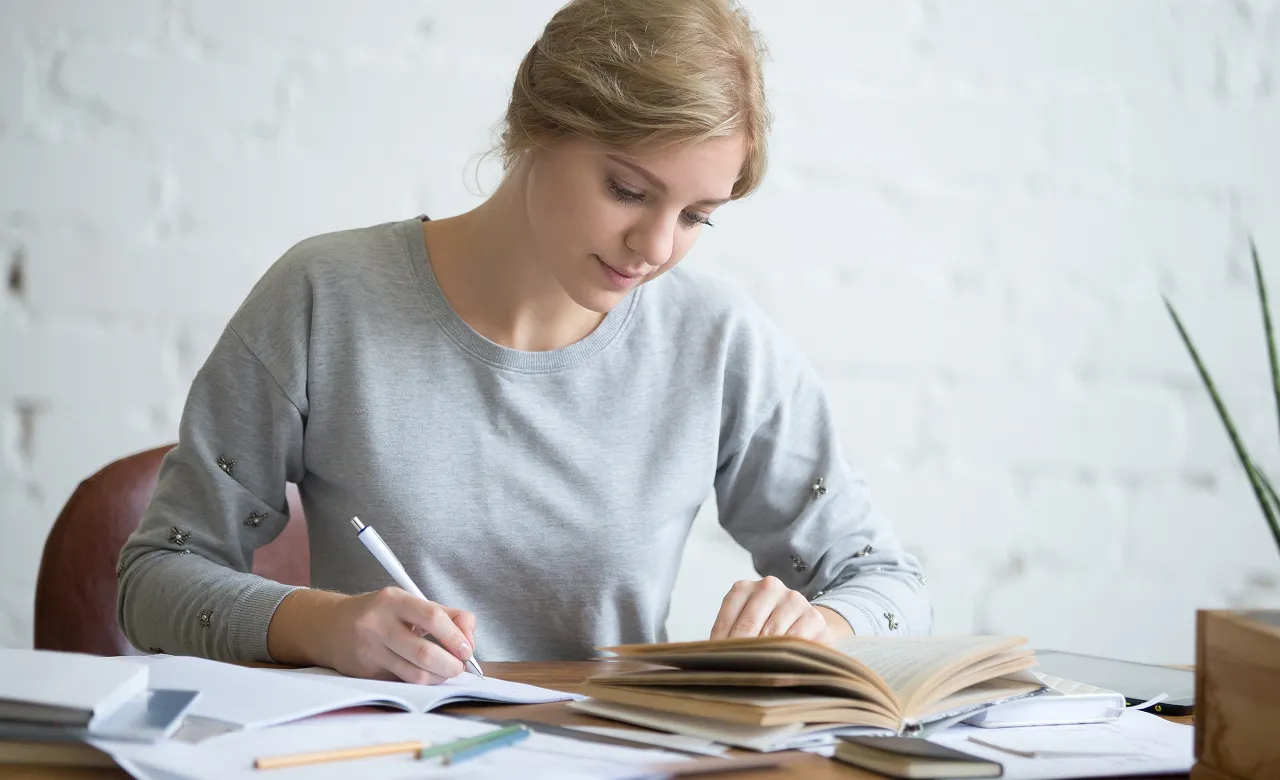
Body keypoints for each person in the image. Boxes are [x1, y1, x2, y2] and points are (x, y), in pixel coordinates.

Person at [117, 0, 931, 685]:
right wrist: (321, 626)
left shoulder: (718, 346)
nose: (655, 247)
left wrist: (821, 624)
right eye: (627, 190)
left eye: (696, 216)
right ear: (536, 127)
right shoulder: (325, 297)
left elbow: (890, 583)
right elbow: (154, 582)